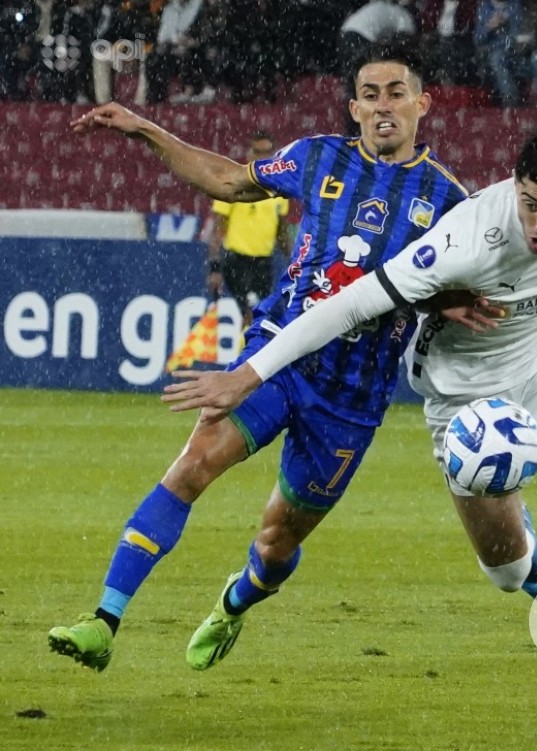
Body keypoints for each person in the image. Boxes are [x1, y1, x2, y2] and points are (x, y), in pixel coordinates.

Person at [163, 126, 537, 725]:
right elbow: (352, 303)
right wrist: (250, 376)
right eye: (531, 204)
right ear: (515, 186)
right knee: (507, 570)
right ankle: (525, 549)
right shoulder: (465, 238)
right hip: (461, 392)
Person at [47, 42, 512, 675]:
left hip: (352, 398)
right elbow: (226, 179)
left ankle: (235, 603)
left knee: (276, 543)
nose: (382, 107)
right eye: (369, 96)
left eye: (396, 93)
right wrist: (145, 128)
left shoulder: (452, 201)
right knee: (192, 467)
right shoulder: (316, 156)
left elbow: (454, 282)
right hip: (277, 358)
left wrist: (451, 300)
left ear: (422, 105)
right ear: (353, 107)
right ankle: (104, 620)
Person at [205, 132, 291, 328]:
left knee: (261, 318)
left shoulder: (279, 189)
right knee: (252, 313)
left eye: (266, 152)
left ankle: (247, 353)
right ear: (249, 154)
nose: (261, 157)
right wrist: (215, 268)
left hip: (264, 264)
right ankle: (249, 356)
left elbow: (282, 232)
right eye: (257, 152)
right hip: (238, 262)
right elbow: (218, 230)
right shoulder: (234, 183)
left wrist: (295, 261)